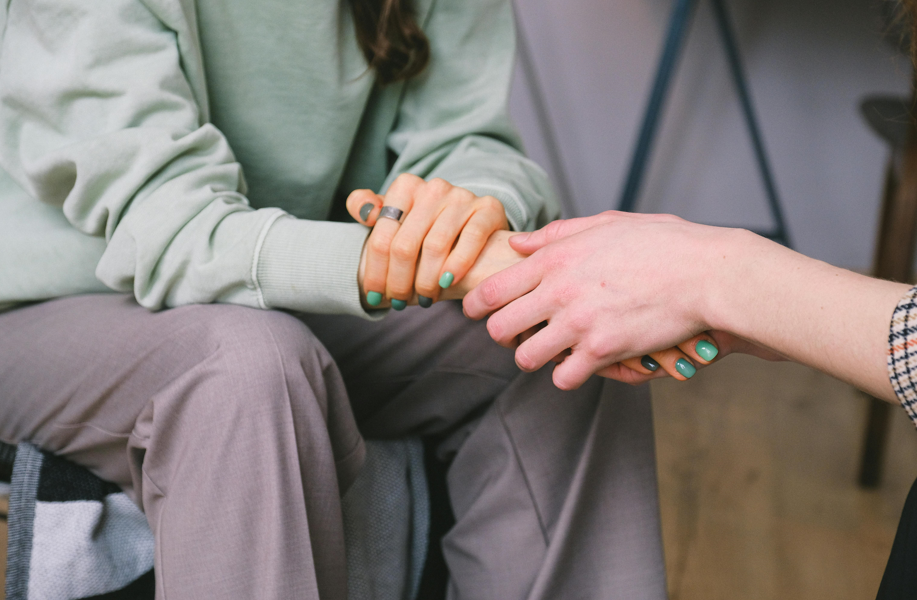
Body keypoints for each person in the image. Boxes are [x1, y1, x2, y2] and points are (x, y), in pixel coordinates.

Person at [0, 0, 680, 598]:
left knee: (555, 326)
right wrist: (390, 262)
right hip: (51, 312)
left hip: (286, 293)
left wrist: (469, 214)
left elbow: (466, 138)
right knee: (247, 367)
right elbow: (168, 228)